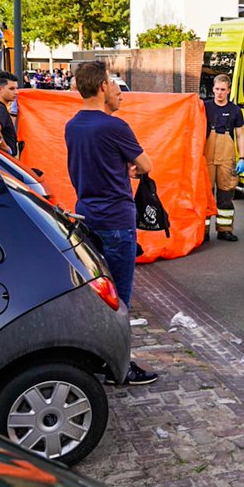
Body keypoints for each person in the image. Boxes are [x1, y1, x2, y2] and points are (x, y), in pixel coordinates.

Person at [64, 60, 158, 386]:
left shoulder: (72, 125)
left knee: (95, 295)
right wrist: (131, 169)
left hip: (87, 218)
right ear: (102, 87)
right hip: (118, 221)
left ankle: (93, 358)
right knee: (120, 301)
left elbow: (95, 163)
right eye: (114, 84)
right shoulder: (115, 127)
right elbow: (145, 164)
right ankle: (118, 366)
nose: (118, 91)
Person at [203, 73, 244, 242]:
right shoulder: (204, 107)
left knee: (226, 195)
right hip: (206, 157)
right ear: (213, 89)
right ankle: (202, 231)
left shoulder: (235, 110)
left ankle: (224, 230)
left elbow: (240, 135)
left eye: (223, 90)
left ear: (228, 91)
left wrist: (242, 158)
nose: (219, 93)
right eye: (217, 89)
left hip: (227, 158)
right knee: (205, 196)